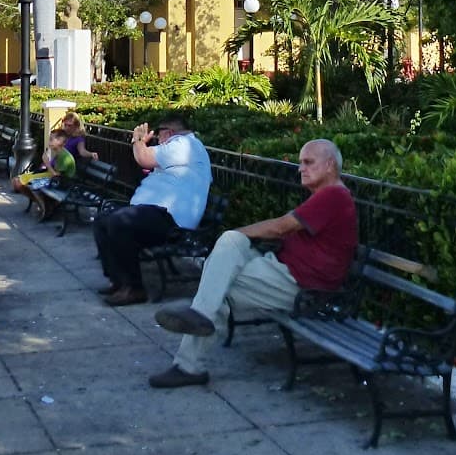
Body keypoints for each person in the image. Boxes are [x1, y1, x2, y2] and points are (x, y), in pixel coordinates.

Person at [147, 137, 358, 389]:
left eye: (308, 162)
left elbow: (281, 228)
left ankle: (189, 361)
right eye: (300, 163)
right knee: (230, 244)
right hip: (281, 270)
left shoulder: (334, 196)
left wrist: (238, 234)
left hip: (301, 285)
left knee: (218, 285)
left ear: (330, 165)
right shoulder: (325, 196)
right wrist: (234, 236)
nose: (301, 168)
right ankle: (197, 326)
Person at [94, 114, 211, 307]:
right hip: (153, 212)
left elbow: (144, 158)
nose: (157, 139)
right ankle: (118, 281)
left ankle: (134, 288)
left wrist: (138, 140)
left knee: (120, 222)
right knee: (103, 220)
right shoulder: (177, 147)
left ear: (169, 132)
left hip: (170, 220)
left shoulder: (184, 145)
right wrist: (140, 144)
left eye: (158, 135)